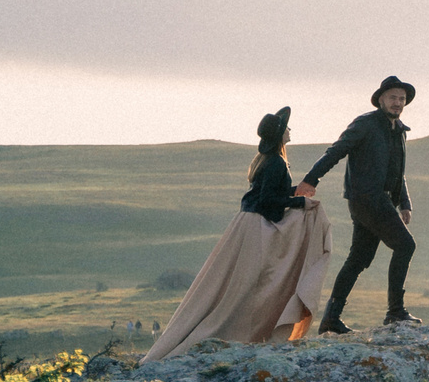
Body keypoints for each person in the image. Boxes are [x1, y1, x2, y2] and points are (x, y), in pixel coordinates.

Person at [141, 107, 332, 363]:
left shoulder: (268, 161)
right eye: (287, 127)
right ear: (279, 135)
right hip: (255, 227)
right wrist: (300, 204)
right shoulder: (276, 161)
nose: (290, 130)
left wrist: (297, 191)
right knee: (246, 287)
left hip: (246, 223)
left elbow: (271, 192)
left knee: (233, 285)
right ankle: (237, 331)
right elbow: (268, 201)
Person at [297, 75, 420, 334]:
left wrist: (404, 202)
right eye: (393, 98)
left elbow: (398, 171)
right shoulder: (365, 124)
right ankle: (395, 312)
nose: (398, 103)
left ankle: (331, 318)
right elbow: (336, 151)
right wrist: (311, 180)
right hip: (367, 198)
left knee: (358, 259)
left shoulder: (399, 131)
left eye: (402, 99)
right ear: (381, 100)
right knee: (405, 245)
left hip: (379, 200)